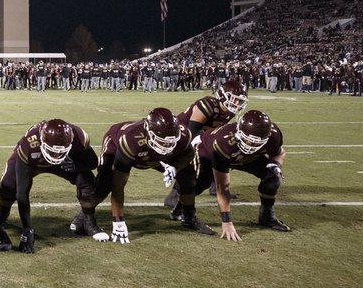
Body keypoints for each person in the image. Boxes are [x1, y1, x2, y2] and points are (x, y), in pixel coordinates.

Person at [87, 107, 214, 242]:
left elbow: (189, 154)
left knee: (188, 174)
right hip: (119, 146)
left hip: (152, 153)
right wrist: (118, 222)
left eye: (171, 142)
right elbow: (118, 184)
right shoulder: (131, 140)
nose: (166, 146)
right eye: (162, 141)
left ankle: (189, 217)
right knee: (106, 183)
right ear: (149, 133)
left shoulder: (183, 135)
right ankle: (85, 217)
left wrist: (175, 168)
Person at [0, 118, 98, 254]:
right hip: (34, 161)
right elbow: (22, 193)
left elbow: (93, 162)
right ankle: (2, 215)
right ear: (42, 141)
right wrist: (27, 229)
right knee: (7, 185)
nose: (56, 154)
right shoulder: (29, 144)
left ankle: (89, 221)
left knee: (86, 180)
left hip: (63, 164)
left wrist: (76, 165)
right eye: (53, 150)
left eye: (60, 150)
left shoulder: (79, 136)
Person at [188, 109, 290, 240]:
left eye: (256, 143)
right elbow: (222, 187)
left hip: (243, 157)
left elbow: (279, 153)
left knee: (273, 177)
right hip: (208, 150)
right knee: (201, 182)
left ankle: (266, 216)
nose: (250, 145)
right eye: (248, 140)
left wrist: (277, 165)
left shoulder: (274, 135)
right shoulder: (223, 142)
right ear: (239, 131)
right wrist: (226, 222)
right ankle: (182, 210)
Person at [165, 78, 249, 211]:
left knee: (220, 152)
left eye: (240, 101)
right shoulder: (207, 105)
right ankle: (174, 195)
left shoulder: (229, 110)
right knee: (193, 161)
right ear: (222, 95)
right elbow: (192, 133)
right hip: (181, 136)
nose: (237, 103)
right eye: (234, 99)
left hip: (201, 135)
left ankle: (215, 186)